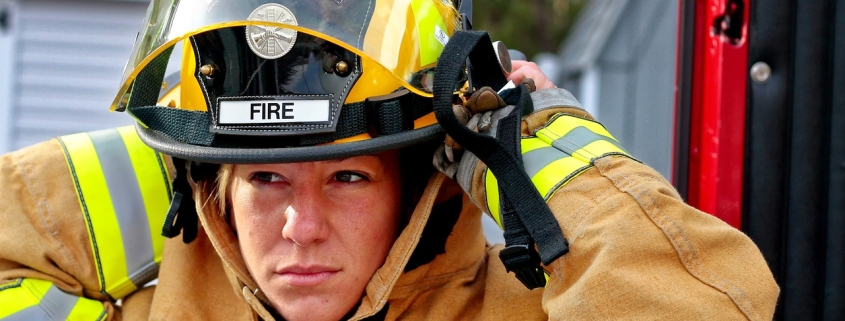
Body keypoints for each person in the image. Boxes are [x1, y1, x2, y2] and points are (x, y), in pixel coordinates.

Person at [0, 0, 779, 320]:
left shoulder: (521, 297)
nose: (300, 227)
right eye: (264, 176)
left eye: (346, 176)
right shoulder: (158, 275)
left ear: (417, 175)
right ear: (209, 183)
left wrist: (536, 144)